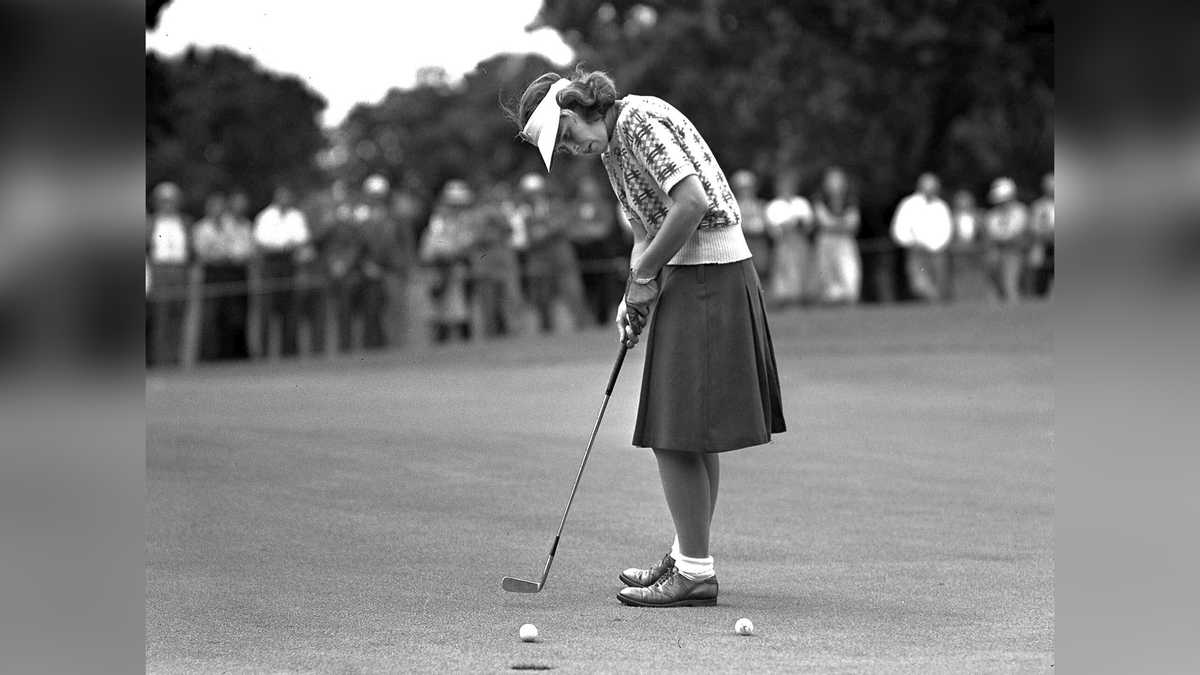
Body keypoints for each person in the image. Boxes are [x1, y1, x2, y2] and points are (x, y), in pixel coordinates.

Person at [508, 68, 786, 607]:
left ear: (573, 108)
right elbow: (644, 228)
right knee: (688, 428)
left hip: (712, 272)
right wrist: (633, 294)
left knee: (675, 428)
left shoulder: (638, 121)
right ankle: (688, 555)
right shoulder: (613, 149)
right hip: (692, 275)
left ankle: (694, 569)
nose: (572, 150)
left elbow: (691, 205)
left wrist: (644, 278)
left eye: (566, 137)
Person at [516, 172, 588, 333]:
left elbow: (561, 224)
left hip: (562, 258)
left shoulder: (555, 205)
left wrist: (543, 230)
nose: (534, 196)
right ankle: (546, 330)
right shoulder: (523, 212)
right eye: (530, 193)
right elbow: (528, 238)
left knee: (573, 293)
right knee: (541, 297)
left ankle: (582, 326)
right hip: (539, 260)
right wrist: (547, 229)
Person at [192, 192, 254, 360]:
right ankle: (210, 356)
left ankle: (232, 355)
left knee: (234, 316)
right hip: (213, 273)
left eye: (220, 207)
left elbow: (239, 247)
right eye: (214, 207)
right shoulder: (201, 228)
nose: (217, 210)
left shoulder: (231, 225)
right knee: (212, 315)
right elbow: (203, 253)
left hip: (232, 272)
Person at [253, 186, 312, 357]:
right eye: (281, 196)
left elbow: (302, 239)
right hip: (271, 264)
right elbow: (260, 242)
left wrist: (290, 246)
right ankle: (263, 354)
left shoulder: (296, 216)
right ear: (276, 198)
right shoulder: (265, 216)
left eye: (287, 196)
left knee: (290, 311)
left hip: (290, 263)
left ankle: (289, 351)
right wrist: (278, 247)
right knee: (267, 309)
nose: (285, 199)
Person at [419, 180, 476, 343]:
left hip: (459, 267)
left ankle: (465, 339)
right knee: (440, 309)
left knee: (463, 308)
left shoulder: (466, 220)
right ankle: (441, 340)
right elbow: (430, 244)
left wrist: (453, 252)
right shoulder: (438, 221)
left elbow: (467, 242)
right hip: (441, 267)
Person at [568, 174, 628, 326]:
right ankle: (588, 319)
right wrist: (589, 231)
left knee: (605, 288)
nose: (587, 191)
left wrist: (586, 230)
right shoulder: (574, 206)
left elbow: (604, 229)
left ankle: (603, 319)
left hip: (602, 254)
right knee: (585, 289)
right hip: (581, 255)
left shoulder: (604, 205)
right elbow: (571, 229)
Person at [146, 182, 192, 366]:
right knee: (160, 318)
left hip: (180, 272)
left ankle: (176, 360)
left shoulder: (185, 222)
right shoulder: (150, 223)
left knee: (178, 317)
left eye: (171, 200)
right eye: (164, 201)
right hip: (160, 271)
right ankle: (159, 361)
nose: (168, 205)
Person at [891, 172, 953, 302]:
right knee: (919, 285)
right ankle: (932, 303)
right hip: (916, 252)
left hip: (937, 253)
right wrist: (911, 242)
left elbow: (947, 230)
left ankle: (938, 310)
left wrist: (936, 246)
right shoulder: (909, 205)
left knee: (940, 285)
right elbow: (899, 229)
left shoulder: (941, 206)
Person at [812, 166, 862, 305]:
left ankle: (849, 300)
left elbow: (853, 222)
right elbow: (823, 221)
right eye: (832, 180)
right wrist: (841, 223)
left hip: (845, 240)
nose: (835, 184)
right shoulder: (820, 198)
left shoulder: (850, 199)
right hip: (826, 240)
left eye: (838, 180)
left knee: (849, 272)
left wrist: (835, 224)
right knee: (827, 274)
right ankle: (831, 302)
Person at [764, 171, 815, 306]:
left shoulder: (801, 203)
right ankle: (785, 299)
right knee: (784, 270)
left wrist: (800, 224)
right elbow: (772, 229)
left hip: (800, 241)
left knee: (802, 268)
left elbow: (809, 225)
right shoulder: (773, 205)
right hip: (783, 243)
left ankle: (803, 298)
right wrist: (785, 226)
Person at [983, 177, 1029, 305]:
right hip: (996, 253)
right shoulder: (992, 215)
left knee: (1010, 285)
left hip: (1014, 252)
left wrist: (1002, 238)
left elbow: (1017, 233)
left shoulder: (1020, 211)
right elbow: (991, 233)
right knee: (994, 287)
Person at [732, 170, 772, 286]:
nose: (746, 191)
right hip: (740, 248)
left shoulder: (761, 205)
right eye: (742, 188)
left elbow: (768, 226)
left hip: (759, 246)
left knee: (762, 275)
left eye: (748, 187)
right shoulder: (733, 206)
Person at [1028, 172, 1054, 298]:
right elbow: (1034, 226)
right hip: (1044, 245)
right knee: (1041, 279)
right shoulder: (1038, 206)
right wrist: (1045, 235)